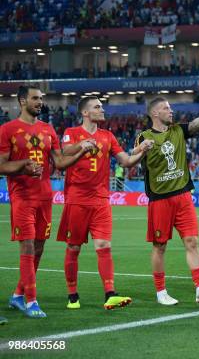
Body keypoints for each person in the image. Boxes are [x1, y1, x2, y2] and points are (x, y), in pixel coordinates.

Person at [0, 86, 93, 318]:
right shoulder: (7, 130)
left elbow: (59, 162)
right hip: (22, 197)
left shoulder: (48, 129)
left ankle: (18, 295)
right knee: (28, 246)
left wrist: (81, 150)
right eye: (35, 98)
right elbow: (1, 165)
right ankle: (32, 302)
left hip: (45, 197)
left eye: (42, 98)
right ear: (22, 101)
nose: (40, 102)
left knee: (39, 248)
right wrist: (23, 165)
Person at [57, 96, 154, 310]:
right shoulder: (71, 134)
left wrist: (142, 151)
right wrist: (82, 145)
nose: (102, 109)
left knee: (104, 246)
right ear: (85, 112)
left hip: (101, 200)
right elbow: (62, 153)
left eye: (101, 106)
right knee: (73, 248)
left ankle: (110, 293)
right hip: (77, 199)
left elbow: (126, 161)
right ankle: (72, 296)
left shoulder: (107, 136)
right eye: (97, 107)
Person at [135, 74, 199, 306]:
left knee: (192, 241)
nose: (170, 111)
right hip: (160, 199)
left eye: (170, 107)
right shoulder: (144, 136)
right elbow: (129, 160)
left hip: (182, 196)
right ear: (155, 113)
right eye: (166, 108)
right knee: (160, 246)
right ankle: (161, 292)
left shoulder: (179, 130)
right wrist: (141, 149)